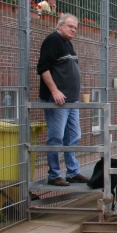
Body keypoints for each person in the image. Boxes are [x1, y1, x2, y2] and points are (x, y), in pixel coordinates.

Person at [37, 14, 87, 186]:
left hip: (71, 100)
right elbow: (43, 67)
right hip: (57, 100)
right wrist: (54, 90)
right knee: (56, 137)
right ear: (60, 25)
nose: (73, 29)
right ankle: (54, 175)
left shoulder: (67, 43)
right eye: (70, 26)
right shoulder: (53, 40)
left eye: (75, 27)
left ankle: (73, 172)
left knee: (74, 135)